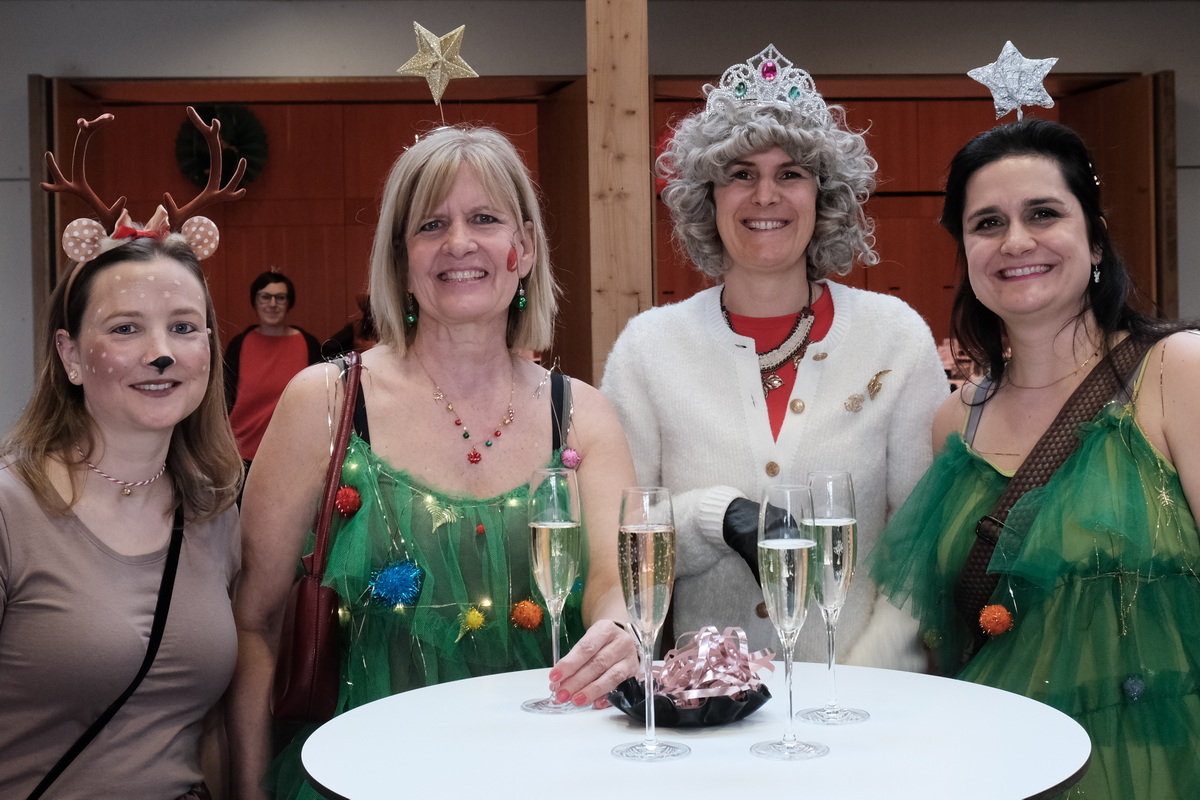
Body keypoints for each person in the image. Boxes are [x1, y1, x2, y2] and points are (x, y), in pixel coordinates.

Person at [228, 126, 639, 800]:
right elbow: (255, 622)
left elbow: (611, 585)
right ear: (400, 258)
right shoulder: (324, 403)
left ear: (526, 247)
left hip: (550, 774)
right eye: (431, 225)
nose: (459, 243)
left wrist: (620, 629)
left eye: (485, 219)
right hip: (356, 779)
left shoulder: (583, 416)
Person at [869, 117, 1200, 799]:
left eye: (1043, 213)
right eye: (987, 223)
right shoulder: (956, 420)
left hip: (1156, 765)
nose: (1016, 241)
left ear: (1095, 238)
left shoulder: (1177, 372)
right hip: (996, 766)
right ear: (966, 255)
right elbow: (943, 636)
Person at [602, 45, 948, 666]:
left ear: (824, 196)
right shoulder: (647, 348)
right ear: (708, 197)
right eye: (741, 174)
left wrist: (863, 680)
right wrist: (714, 516)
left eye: (790, 174)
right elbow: (624, 543)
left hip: (864, 696)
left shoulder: (896, 337)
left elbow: (921, 544)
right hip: (707, 700)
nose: (766, 196)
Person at [0, 225, 243, 794]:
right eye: (125, 328)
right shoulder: (10, 511)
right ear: (70, 355)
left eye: (183, 327)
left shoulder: (215, 512)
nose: (161, 353)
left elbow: (206, 728)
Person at [224, 270, 322, 469]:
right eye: (265, 297)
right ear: (255, 302)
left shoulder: (309, 344)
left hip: (294, 455)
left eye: (280, 298)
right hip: (240, 456)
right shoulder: (239, 344)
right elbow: (222, 400)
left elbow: (320, 401)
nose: (272, 304)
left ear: (289, 303)